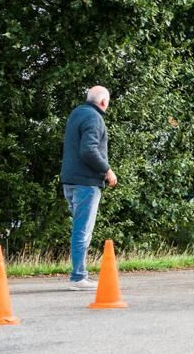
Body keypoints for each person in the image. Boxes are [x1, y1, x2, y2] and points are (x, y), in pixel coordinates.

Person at [60, 86, 118, 290]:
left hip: (70, 180)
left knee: (79, 228)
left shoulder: (76, 113)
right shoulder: (94, 118)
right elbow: (88, 150)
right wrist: (107, 170)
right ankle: (78, 277)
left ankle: (79, 274)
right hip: (86, 182)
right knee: (83, 230)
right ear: (103, 102)